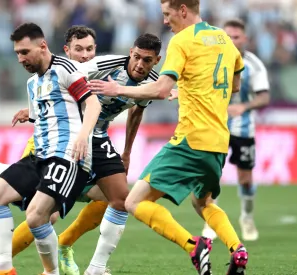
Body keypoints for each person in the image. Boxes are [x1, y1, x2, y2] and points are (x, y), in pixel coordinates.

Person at [0, 27, 163, 275]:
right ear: (66, 50)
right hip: (55, 140)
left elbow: (136, 108)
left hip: (90, 138)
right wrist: (32, 112)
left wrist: (126, 150)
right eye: (79, 49)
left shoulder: (147, 82)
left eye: (89, 49)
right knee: (42, 213)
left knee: (116, 198)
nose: (85, 55)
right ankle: (2, 264)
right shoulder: (81, 68)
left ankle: (83, 263)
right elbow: (58, 85)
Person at [87, 1, 248, 274]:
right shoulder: (224, 39)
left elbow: (161, 90)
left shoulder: (182, 41)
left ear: (182, 9)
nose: (164, 21)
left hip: (190, 140)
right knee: (203, 202)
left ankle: (194, 246)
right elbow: (235, 86)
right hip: (219, 141)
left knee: (134, 201)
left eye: (167, 14)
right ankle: (237, 249)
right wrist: (191, 89)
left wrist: (118, 90)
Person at [0, 22, 101, 275]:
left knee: (37, 216)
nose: (20, 58)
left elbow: (93, 105)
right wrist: (30, 115)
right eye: (17, 53)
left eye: (24, 52)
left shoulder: (66, 69)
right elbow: (46, 116)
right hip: (40, 157)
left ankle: (51, 273)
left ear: (43, 46)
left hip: (68, 157)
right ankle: (4, 269)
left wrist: (82, 136)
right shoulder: (32, 84)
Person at [202, 18, 270, 242]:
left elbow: (264, 97)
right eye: (227, 36)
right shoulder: (211, 59)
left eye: (236, 37)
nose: (231, 40)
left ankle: (247, 218)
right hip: (215, 125)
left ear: (245, 39)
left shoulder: (254, 65)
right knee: (211, 175)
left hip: (243, 128)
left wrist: (244, 106)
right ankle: (211, 222)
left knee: (245, 178)